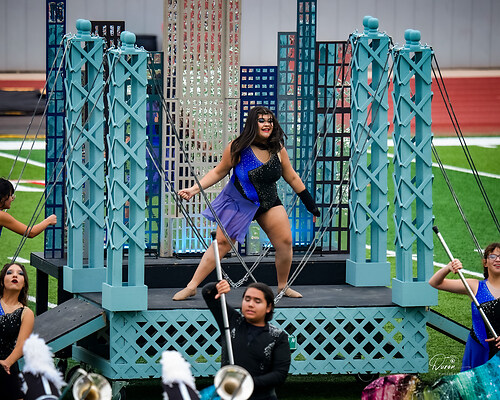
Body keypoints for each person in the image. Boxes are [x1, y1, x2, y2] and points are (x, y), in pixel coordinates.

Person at [173, 106, 319, 300]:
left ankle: (283, 286)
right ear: (252, 124)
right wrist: (194, 189)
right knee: (222, 243)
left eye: (270, 120)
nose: (267, 124)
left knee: (285, 242)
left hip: (268, 202)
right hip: (239, 202)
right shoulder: (238, 147)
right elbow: (219, 171)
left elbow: (292, 177)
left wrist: (310, 203)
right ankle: (191, 286)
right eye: (261, 120)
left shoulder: (278, 149)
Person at [203, 280, 290, 400]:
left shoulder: (278, 336)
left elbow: (279, 375)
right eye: (247, 299)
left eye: (257, 301)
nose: (250, 304)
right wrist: (218, 286)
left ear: (268, 307)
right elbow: (208, 293)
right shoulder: (230, 321)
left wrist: (245, 383)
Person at [429, 242, 500, 371]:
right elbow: (435, 283)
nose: (498, 259)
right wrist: (448, 268)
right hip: (478, 348)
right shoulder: (474, 286)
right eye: (492, 256)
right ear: (485, 262)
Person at [0, 262, 35, 400]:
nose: (15, 275)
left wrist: (6, 363)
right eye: (9, 273)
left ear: (24, 284)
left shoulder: (26, 313)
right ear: (2, 282)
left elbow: (21, 345)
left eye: (20, 274)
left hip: (8, 369)